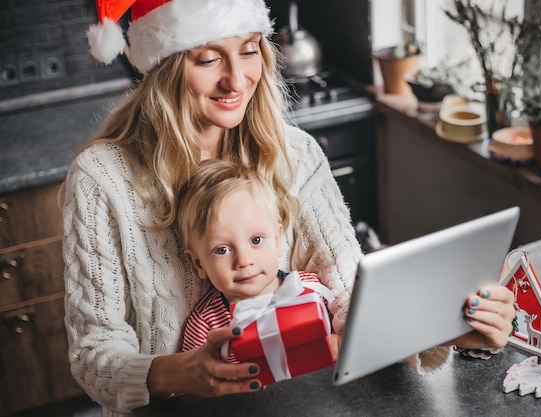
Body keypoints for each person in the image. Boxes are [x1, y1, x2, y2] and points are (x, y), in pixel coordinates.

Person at [61, 1, 516, 416]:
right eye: (208, 58)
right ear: (164, 66)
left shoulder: (295, 153)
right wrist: (181, 373)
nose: (237, 80)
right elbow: (95, 354)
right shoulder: (102, 178)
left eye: (249, 50)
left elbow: (349, 296)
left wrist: (444, 327)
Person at [176, 159, 338, 361]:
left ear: (277, 240)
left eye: (256, 240)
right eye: (222, 250)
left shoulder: (311, 291)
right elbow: (197, 382)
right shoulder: (206, 327)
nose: (243, 261)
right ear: (198, 263)